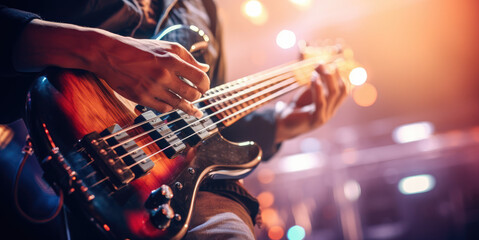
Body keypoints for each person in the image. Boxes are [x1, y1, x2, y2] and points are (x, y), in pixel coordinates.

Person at [0, 0, 347, 239]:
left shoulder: (203, 8)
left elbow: (200, 122)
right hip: (36, 161)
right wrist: (101, 52)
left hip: (179, 194)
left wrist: (282, 122)